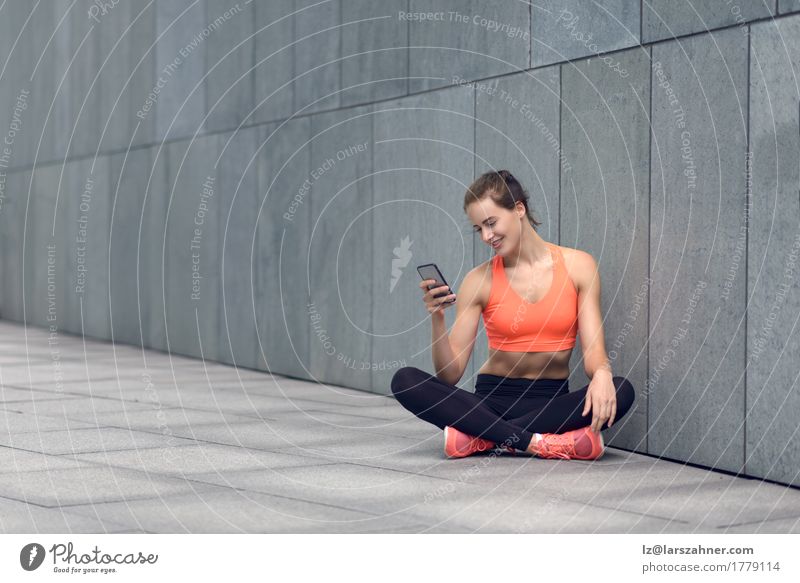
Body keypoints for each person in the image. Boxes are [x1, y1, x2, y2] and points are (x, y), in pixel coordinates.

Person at [390, 170, 636, 460]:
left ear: (519, 209)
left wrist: (603, 374)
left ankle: (483, 437)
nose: (486, 236)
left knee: (622, 390)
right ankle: (538, 442)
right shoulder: (479, 280)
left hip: (550, 404)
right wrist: (437, 317)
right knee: (404, 380)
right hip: (490, 402)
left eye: (491, 223)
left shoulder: (578, 266)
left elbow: (594, 352)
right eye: (478, 228)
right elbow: (449, 374)